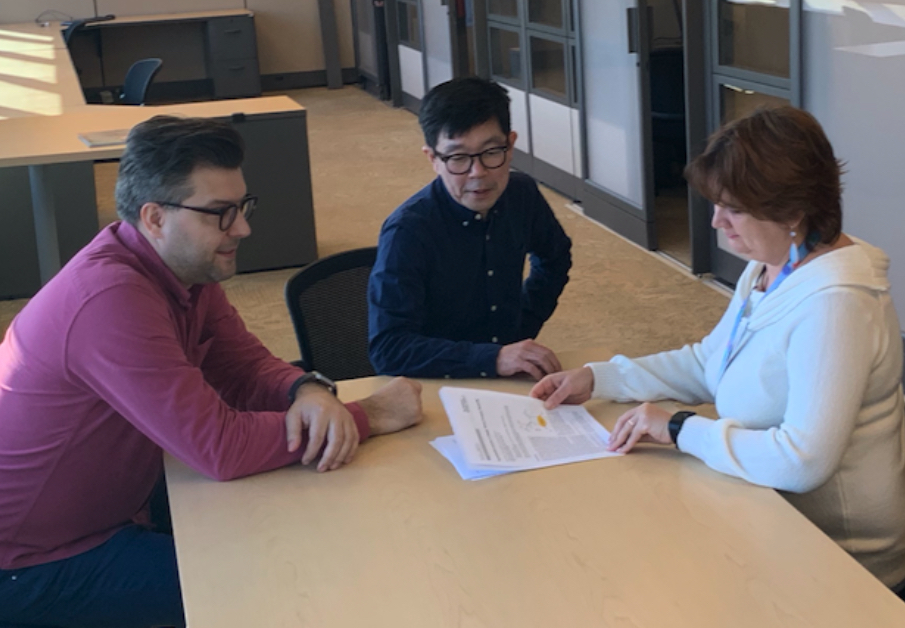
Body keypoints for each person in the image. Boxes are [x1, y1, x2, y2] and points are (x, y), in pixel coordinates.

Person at [0, 115, 423, 628]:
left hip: (118, 503)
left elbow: (241, 365)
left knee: (301, 529)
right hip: (35, 560)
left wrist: (305, 388)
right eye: (220, 213)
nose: (242, 228)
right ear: (154, 218)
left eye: (242, 207)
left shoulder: (181, 268)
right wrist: (367, 415)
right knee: (273, 587)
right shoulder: (110, 300)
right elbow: (219, 448)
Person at [531, 106, 905, 591]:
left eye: (734, 209)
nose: (715, 223)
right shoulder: (774, 266)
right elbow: (713, 362)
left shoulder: (837, 306)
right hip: (769, 510)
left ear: (792, 210)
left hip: (841, 559)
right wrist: (600, 377)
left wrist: (681, 428)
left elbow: (803, 460)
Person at [368, 76, 572, 380]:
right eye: (458, 158)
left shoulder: (522, 194)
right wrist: (493, 357)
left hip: (508, 380)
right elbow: (389, 348)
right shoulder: (408, 231)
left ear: (510, 145)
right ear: (433, 159)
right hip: (436, 383)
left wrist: (522, 327)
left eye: (491, 152)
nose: (478, 173)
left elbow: (556, 257)